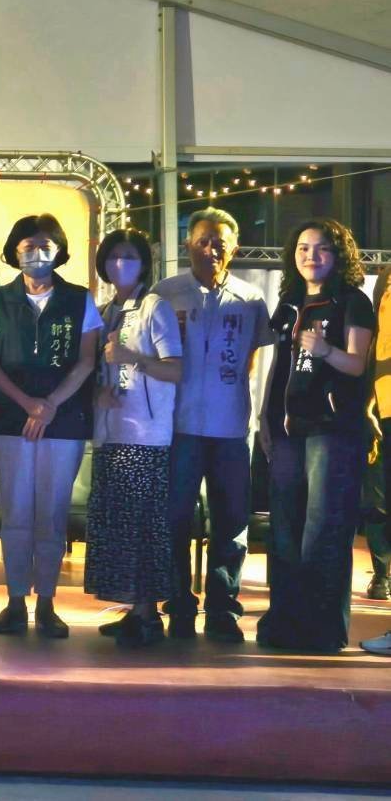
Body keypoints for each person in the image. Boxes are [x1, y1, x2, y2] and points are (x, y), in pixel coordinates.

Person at [153, 207, 274, 643]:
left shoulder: (251, 299)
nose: (211, 249)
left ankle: (223, 609)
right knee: (175, 520)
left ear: (234, 248)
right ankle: (179, 606)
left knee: (231, 522)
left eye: (219, 243)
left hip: (230, 430)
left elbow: (252, 358)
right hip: (179, 427)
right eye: (202, 241)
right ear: (188, 244)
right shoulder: (165, 293)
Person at [0, 213, 101, 638]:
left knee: (52, 513)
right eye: (28, 246)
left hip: (63, 420)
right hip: (12, 418)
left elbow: (87, 359)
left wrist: (50, 405)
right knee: (15, 512)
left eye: (45, 246)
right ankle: (15, 601)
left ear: (59, 251)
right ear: (15, 251)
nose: (37, 254)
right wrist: (29, 405)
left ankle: (47, 602)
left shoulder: (80, 299)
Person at [257, 220, 373, 653]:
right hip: (287, 429)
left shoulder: (352, 301)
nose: (311, 256)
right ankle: (285, 622)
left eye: (321, 248)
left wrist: (324, 350)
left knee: (324, 530)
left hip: (331, 429)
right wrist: (265, 417)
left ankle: (322, 629)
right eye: (303, 248)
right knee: (285, 529)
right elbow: (279, 365)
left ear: (338, 254)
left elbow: (357, 364)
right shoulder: (290, 302)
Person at [84, 228, 182, 648]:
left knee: (143, 526)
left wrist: (133, 359)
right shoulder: (105, 311)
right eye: (112, 257)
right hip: (110, 433)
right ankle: (134, 610)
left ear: (144, 264)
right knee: (119, 526)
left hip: (145, 435)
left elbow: (175, 369)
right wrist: (97, 394)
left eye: (129, 256)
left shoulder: (155, 307)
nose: (119, 264)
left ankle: (148, 614)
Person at [362, 265, 391, 656]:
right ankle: (382, 574)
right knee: (381, 504)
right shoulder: (386, 277)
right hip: (386, 406)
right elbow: (377, 342)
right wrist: (368, 400)